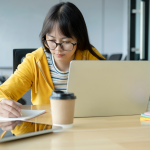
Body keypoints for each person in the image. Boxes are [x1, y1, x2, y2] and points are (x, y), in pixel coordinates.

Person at [0, 2, 105, 135]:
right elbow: (4, 92)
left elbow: (111, 89)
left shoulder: (89, 57)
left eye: (66, 42)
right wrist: (2, 104)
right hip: (40, 134)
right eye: (51, 40)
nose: (57, 49)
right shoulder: (34, 61)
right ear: (45, 37)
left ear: (79, 39)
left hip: (81, 131)